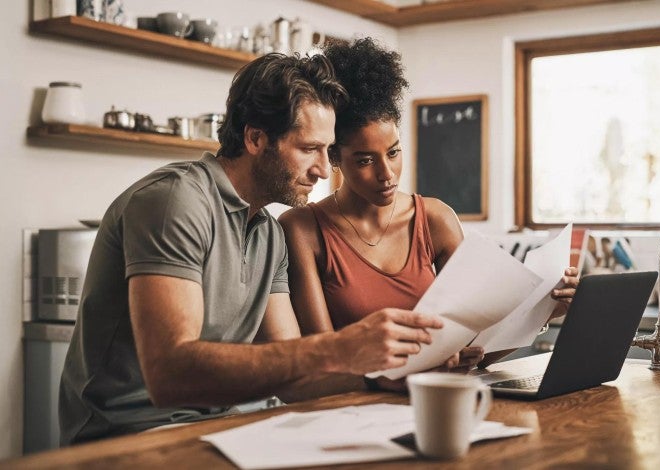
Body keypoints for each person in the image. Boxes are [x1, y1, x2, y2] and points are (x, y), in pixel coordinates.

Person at [59, 52, 446, 445]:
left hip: (224, 427)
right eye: (309, 148)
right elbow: (170, 375)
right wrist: (341, 347)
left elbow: (294, 377)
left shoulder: (268, 233)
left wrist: (382, 376)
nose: (324, 170)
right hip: (134, 435)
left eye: (326, 151)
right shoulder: (176, 201)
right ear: (256, 138)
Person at [278, 38, 579, 375]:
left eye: (393, 152)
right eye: (364, 160)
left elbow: (479, 353)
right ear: (333, 155)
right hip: (353, 413)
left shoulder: (436, 220)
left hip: (433, 404)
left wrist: (543, 311)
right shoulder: (302, 229)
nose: (386, 174)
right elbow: (321, 362)